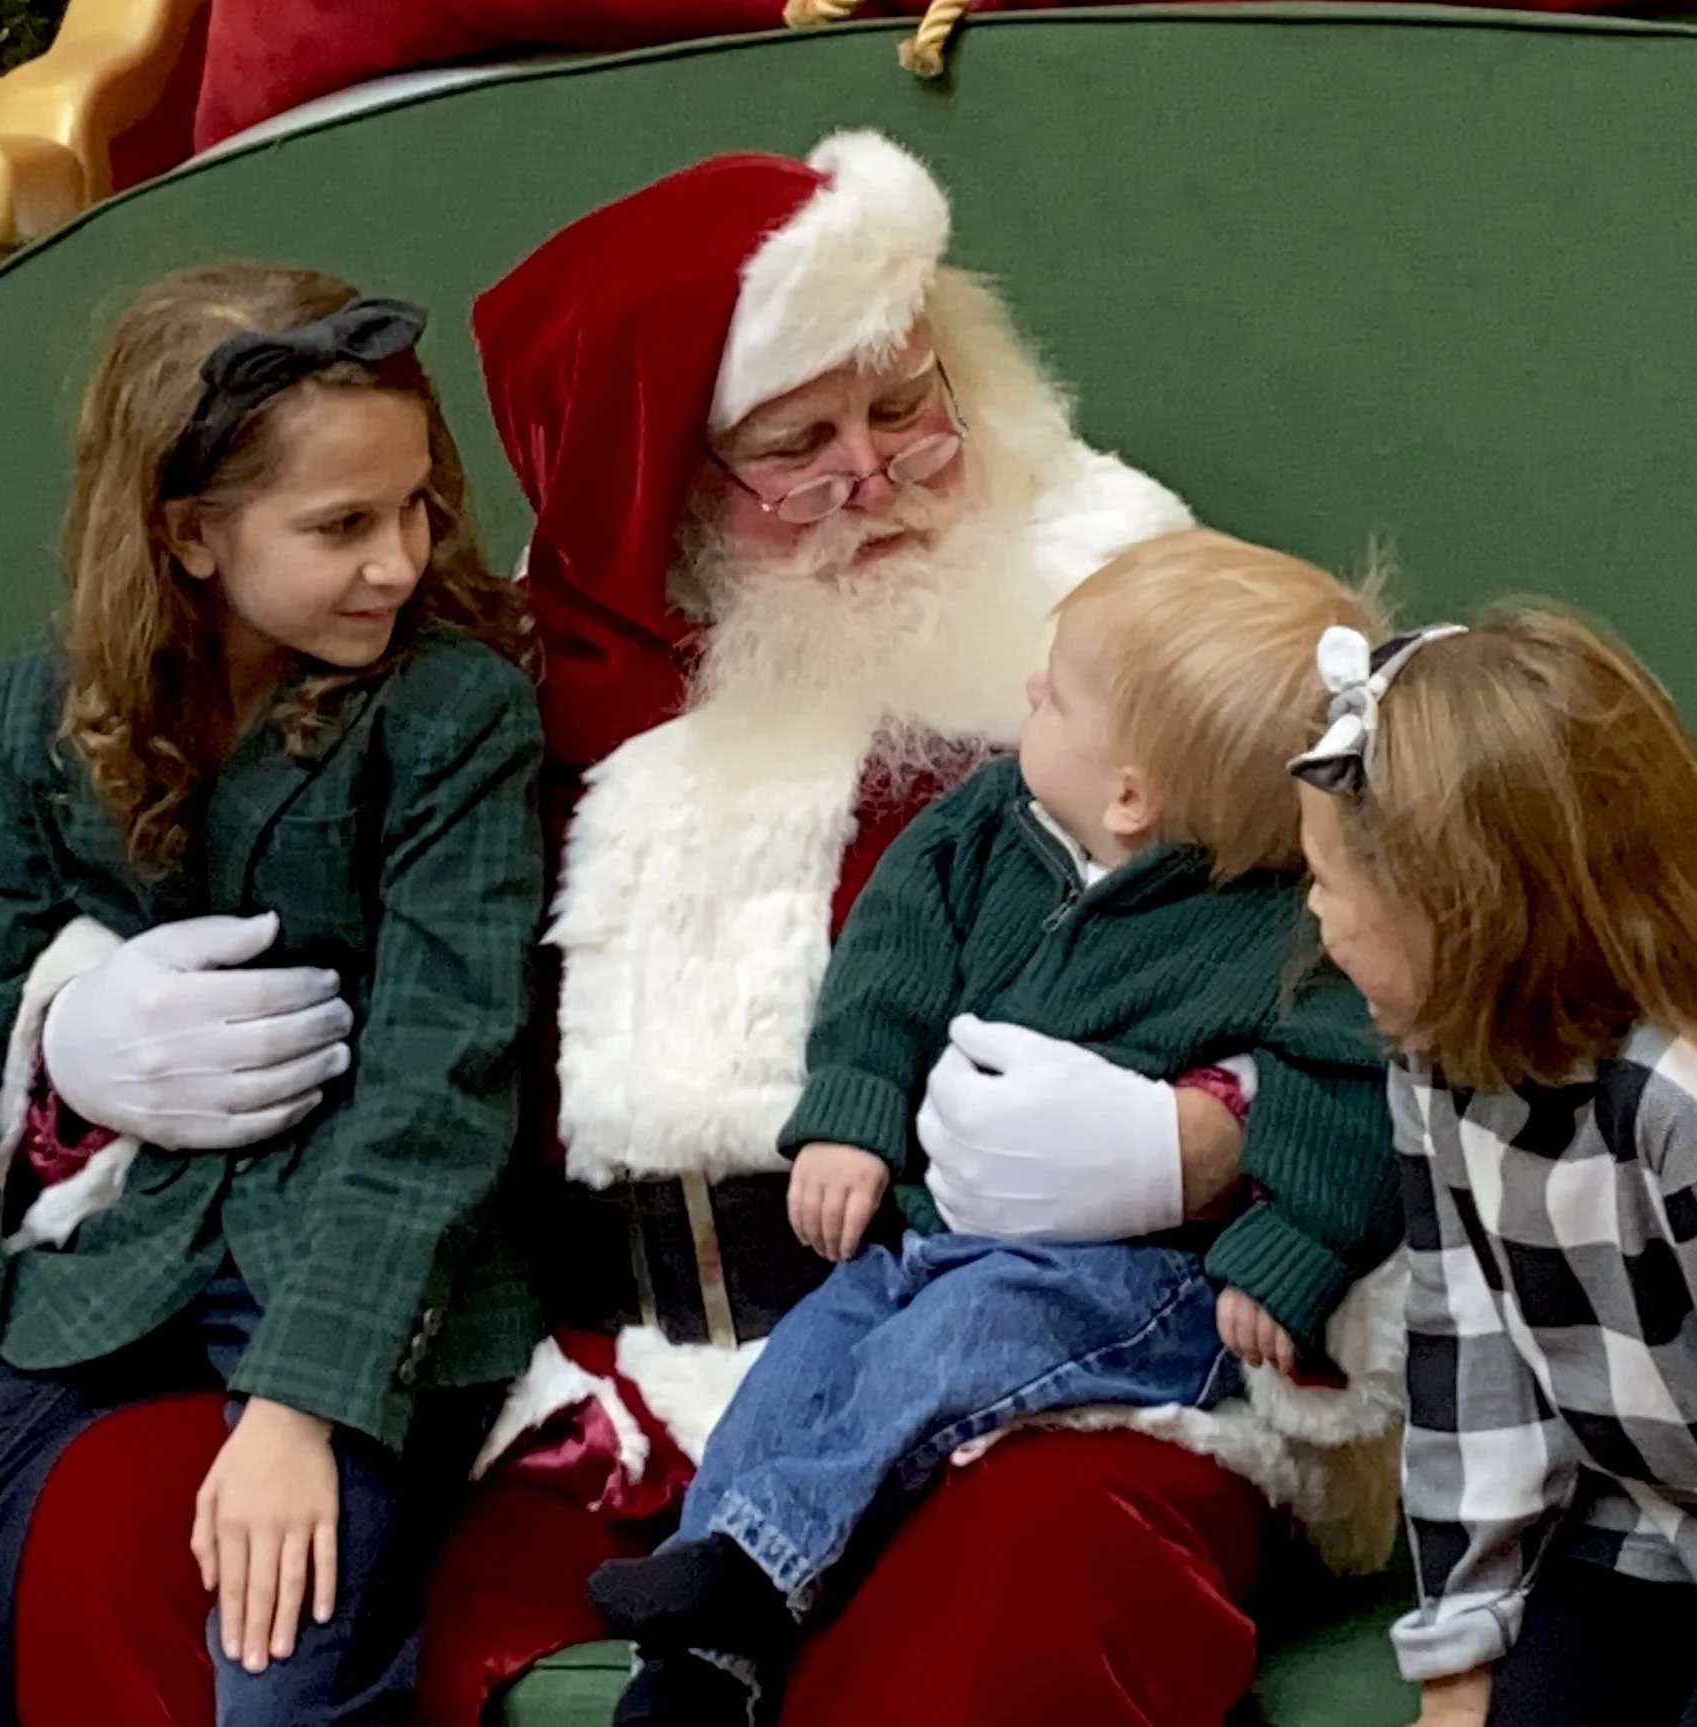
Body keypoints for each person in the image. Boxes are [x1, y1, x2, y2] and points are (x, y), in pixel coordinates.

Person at [13, 131, 1410, 1727]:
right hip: (592, 1375)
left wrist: (1206, 1134)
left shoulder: (1113, 622)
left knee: (1021, 1587)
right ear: (661, 474)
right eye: (793, 444)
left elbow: (1363, 939)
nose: (871, 475)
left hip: (1022, 1361)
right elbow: (294, 977)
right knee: (127, 1522)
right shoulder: (492, 694)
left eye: (905, 406)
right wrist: (76, 1037)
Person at [0, 261, 546, 1727]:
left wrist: (305, 1403)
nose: (398, 556)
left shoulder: (453, 711)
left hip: (363, 1285)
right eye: (342, 525)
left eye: (415, 506)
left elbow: (444, 1085)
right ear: (188, 533)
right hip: (120, 1260)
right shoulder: (57, 701)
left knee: (276, 1651)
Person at [585, 529, 1402, 1722]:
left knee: (964, 1338)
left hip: (1140, 1280)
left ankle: (761, 1571)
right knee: (814, 1355)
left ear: (1131, 792)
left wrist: (1286, 1254)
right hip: (925, 1240)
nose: (1028, 693)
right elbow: (885, 969)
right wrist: (854, 1118)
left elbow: (1348, 1093)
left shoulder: (1285, 926)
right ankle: (702, 1638)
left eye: (1057, 691)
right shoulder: (984, 826)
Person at [1292, 609, 1697, 1726]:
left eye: (1328, 879)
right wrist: (1457, 1659)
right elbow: (1470, 1360)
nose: (1312, 914)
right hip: (1645, 1518)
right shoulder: (1434, 1055)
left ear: (1466, 913)